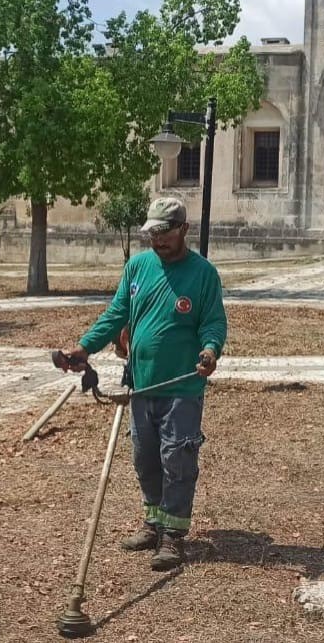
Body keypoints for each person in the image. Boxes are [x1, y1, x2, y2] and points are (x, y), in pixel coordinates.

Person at [57, 197, 227, 571]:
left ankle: (173, 536)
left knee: (177, 460)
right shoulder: (137, 267)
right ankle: (152, 523)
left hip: (182, 387)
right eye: (153, 233)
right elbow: (116, 314)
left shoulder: (203, 274)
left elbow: (213, 323)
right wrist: (84, 347)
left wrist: (210, 351)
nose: (158, 240)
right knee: (145, 459)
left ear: (183, 229)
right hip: (140, 385)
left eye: (165, 233)